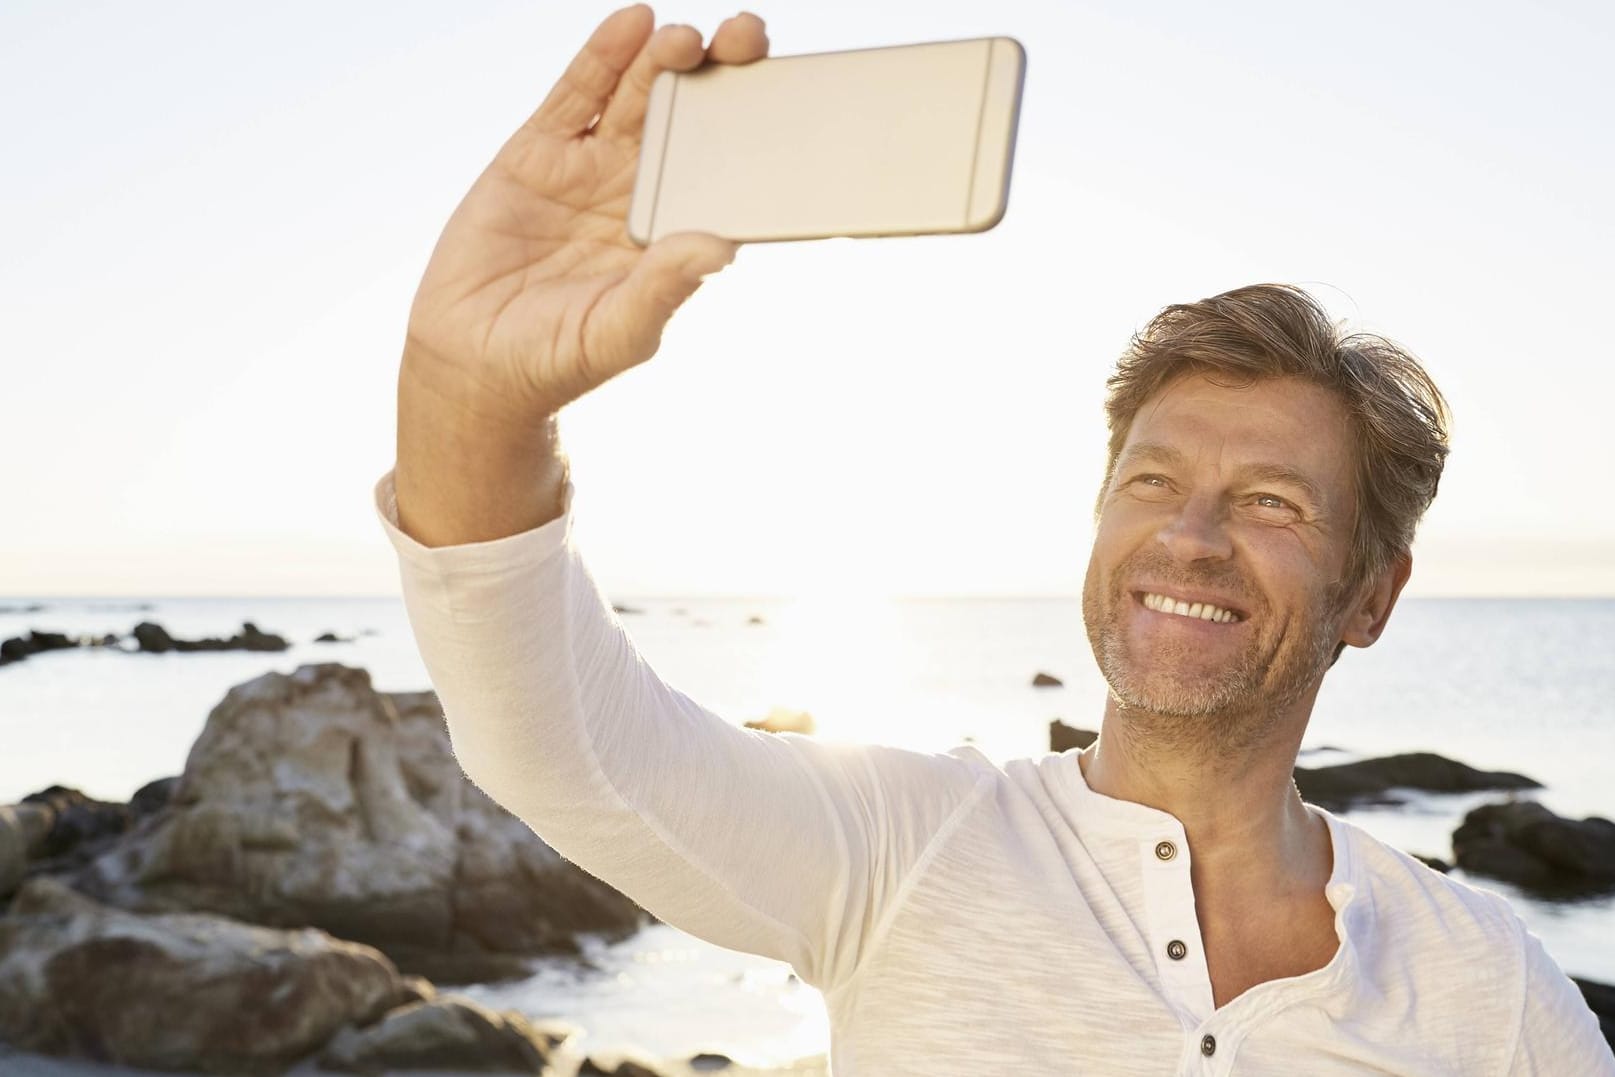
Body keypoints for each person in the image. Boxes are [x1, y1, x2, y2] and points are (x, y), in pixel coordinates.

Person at [375, 5, 1614, 1073]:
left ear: (1371, 597)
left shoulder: (1488, 994)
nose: (1188, 537)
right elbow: (566, 748)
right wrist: (472, 393)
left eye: (1270, 504)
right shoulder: (901, 848)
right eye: (1151, 481)